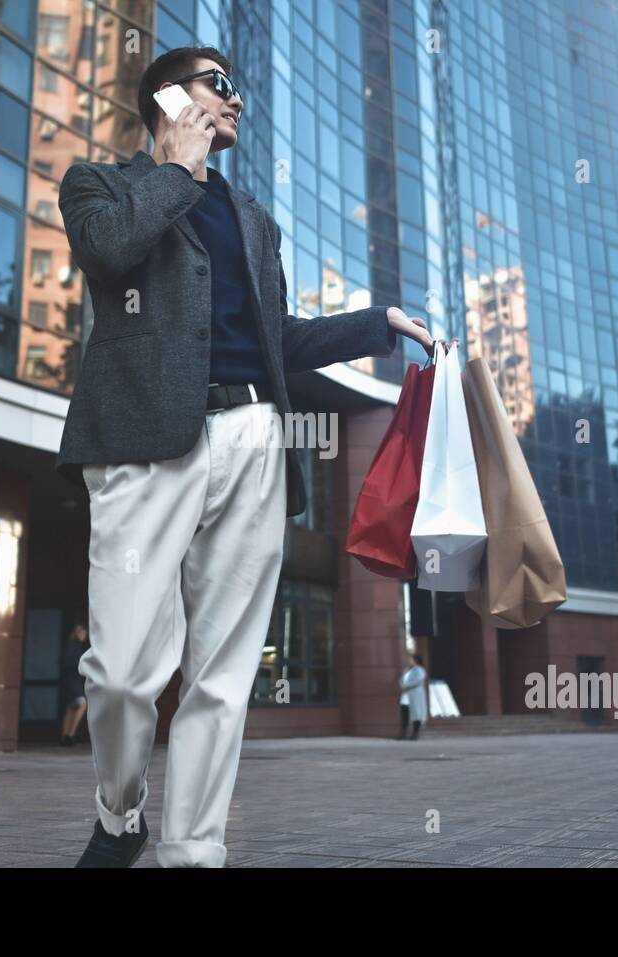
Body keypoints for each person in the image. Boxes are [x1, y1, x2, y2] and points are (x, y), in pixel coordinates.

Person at [55, 47, 433, 869]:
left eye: (238, 89)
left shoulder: (256, 220)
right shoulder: (99, 185)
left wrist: (376, 323)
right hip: (142, 440)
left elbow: (278, 340)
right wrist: (180, 171)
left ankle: (192, 851)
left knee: (222, 673)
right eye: (218, 85)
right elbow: (112, 250)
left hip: (255, 439)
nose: (236, 100)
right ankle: (120, 818)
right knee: (122, 671)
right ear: (166, 95)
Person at [59, 624, 89, 746]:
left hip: (70, 680)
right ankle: (70, 735)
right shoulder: (74, 647)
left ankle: (65, 736)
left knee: (71, 707)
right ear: (76, 633)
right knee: (82, 703)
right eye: (82, 633)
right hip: (73, 680)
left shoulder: (72, 646)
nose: (84, 636)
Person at [396, 653, 429, 741]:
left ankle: (415, 733)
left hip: (415, 695)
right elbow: (402, 679)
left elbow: (418, 680)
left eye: (411, 659)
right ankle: (403, 733)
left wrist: (406, 685)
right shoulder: (407, 669)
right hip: (406, 695)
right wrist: (402, 684)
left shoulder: (420, 670)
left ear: (415, 661)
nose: (409, 661)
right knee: (404, 713)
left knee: (416, 714)